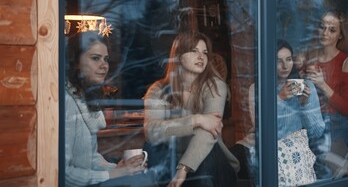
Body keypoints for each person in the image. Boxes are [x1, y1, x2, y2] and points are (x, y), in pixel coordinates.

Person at [143, 31, 239, 187]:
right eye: (194, 51)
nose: (201, 56)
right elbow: (152, 132)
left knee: (206, 148)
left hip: (215, 166)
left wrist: (183, 168)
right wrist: (197, 120)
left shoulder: (215, 86)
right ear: (179, 56)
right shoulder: (158, 89)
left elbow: (209, 132)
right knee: (152, 147)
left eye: (205, 52)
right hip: (171, 159)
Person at [65, 31, 157, 187]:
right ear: (75, 62)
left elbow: (90, 158)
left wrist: (118, 167)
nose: (104, 65)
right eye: (95, 58)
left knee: (146, 178)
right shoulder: (66, 102)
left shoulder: (83, 98)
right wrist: (116, 173)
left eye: (106, 59)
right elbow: (65, 174)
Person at [230, 39, 325, 186]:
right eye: (278, 60)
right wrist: (279, 99)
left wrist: (305, 104)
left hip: (294, 147)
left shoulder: (307, 87)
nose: (285, 66)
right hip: (265, 147)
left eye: (288, 59)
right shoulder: (257, 89)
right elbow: (261, 129)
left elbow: (317, 132)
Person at [297, 11, 348, 176]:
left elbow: (346, 108)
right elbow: (301, 97)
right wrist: (302, 83)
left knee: (330, 175)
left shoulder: (347, 62)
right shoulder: (309, 58)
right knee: (310, 173)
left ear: (340, 35)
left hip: (336, 126)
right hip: (311, 121)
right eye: (322, 27)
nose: (325, 32)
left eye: (332, 30)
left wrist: (323, 84)